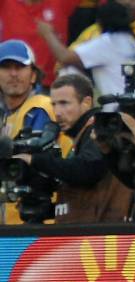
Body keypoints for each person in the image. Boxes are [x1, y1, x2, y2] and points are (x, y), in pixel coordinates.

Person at [13, 73, 132, 222]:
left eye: (64, 103)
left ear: (87, 102)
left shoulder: (98, 129)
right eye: (54, 104)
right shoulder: (79, 136)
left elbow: (88, 170)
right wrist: (48, 210)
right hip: (89, 237)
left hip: (104, 240)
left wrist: (35, 160)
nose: (57, 112)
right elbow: (84, 197)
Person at [0, 39, 68, 224]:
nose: (13, 74)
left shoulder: (40, 106)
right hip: (17, 220)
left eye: (20, 67)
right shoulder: (7, 113)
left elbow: (31, 155)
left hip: (42, 221)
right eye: (6, 67)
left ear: (33, 75)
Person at [37, 0, 135, 99]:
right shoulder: (134, 39)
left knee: (68, 70)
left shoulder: (106, 42)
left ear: (100, 22)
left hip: (120, 113)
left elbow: (64, 57)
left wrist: (48, 34)